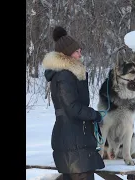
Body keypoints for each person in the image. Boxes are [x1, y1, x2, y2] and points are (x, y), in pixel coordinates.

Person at [42, 26, 105, 180]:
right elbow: (72, 108)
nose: (80, 54)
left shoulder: (67, 73)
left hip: (73, 139)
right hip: (73, 142)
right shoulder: (65, 75)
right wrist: (94, 115)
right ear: (66, 54)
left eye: (80, 50)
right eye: (77, 51)